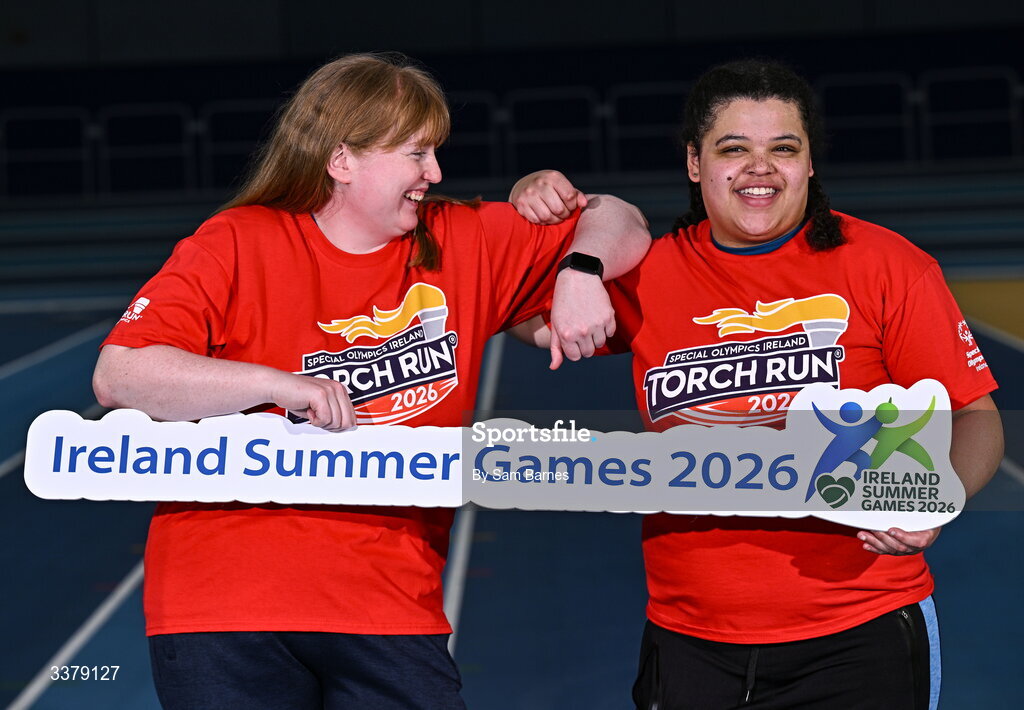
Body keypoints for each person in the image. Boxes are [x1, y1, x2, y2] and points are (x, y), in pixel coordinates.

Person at [92, 53, 650, 709]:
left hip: (390, 601)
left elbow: (620, 217)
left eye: (435, 153)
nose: (435, 173)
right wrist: (279, 384)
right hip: (226, 601)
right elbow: (120, 374)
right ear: (342, 161)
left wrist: (580, 269)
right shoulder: (237, 241)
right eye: (416, 154)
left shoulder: (461, 238)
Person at [509, 59, 1003, 710]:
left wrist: (936, 499)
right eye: (734, 149)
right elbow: (523, 315)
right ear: (695, 163)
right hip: (689, 640)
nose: (759, 168)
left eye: (784, 149)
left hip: (860, 633)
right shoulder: (652, 274)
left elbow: (975, 416)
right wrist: (531, 211)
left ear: (809, 163)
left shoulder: (888, 266)